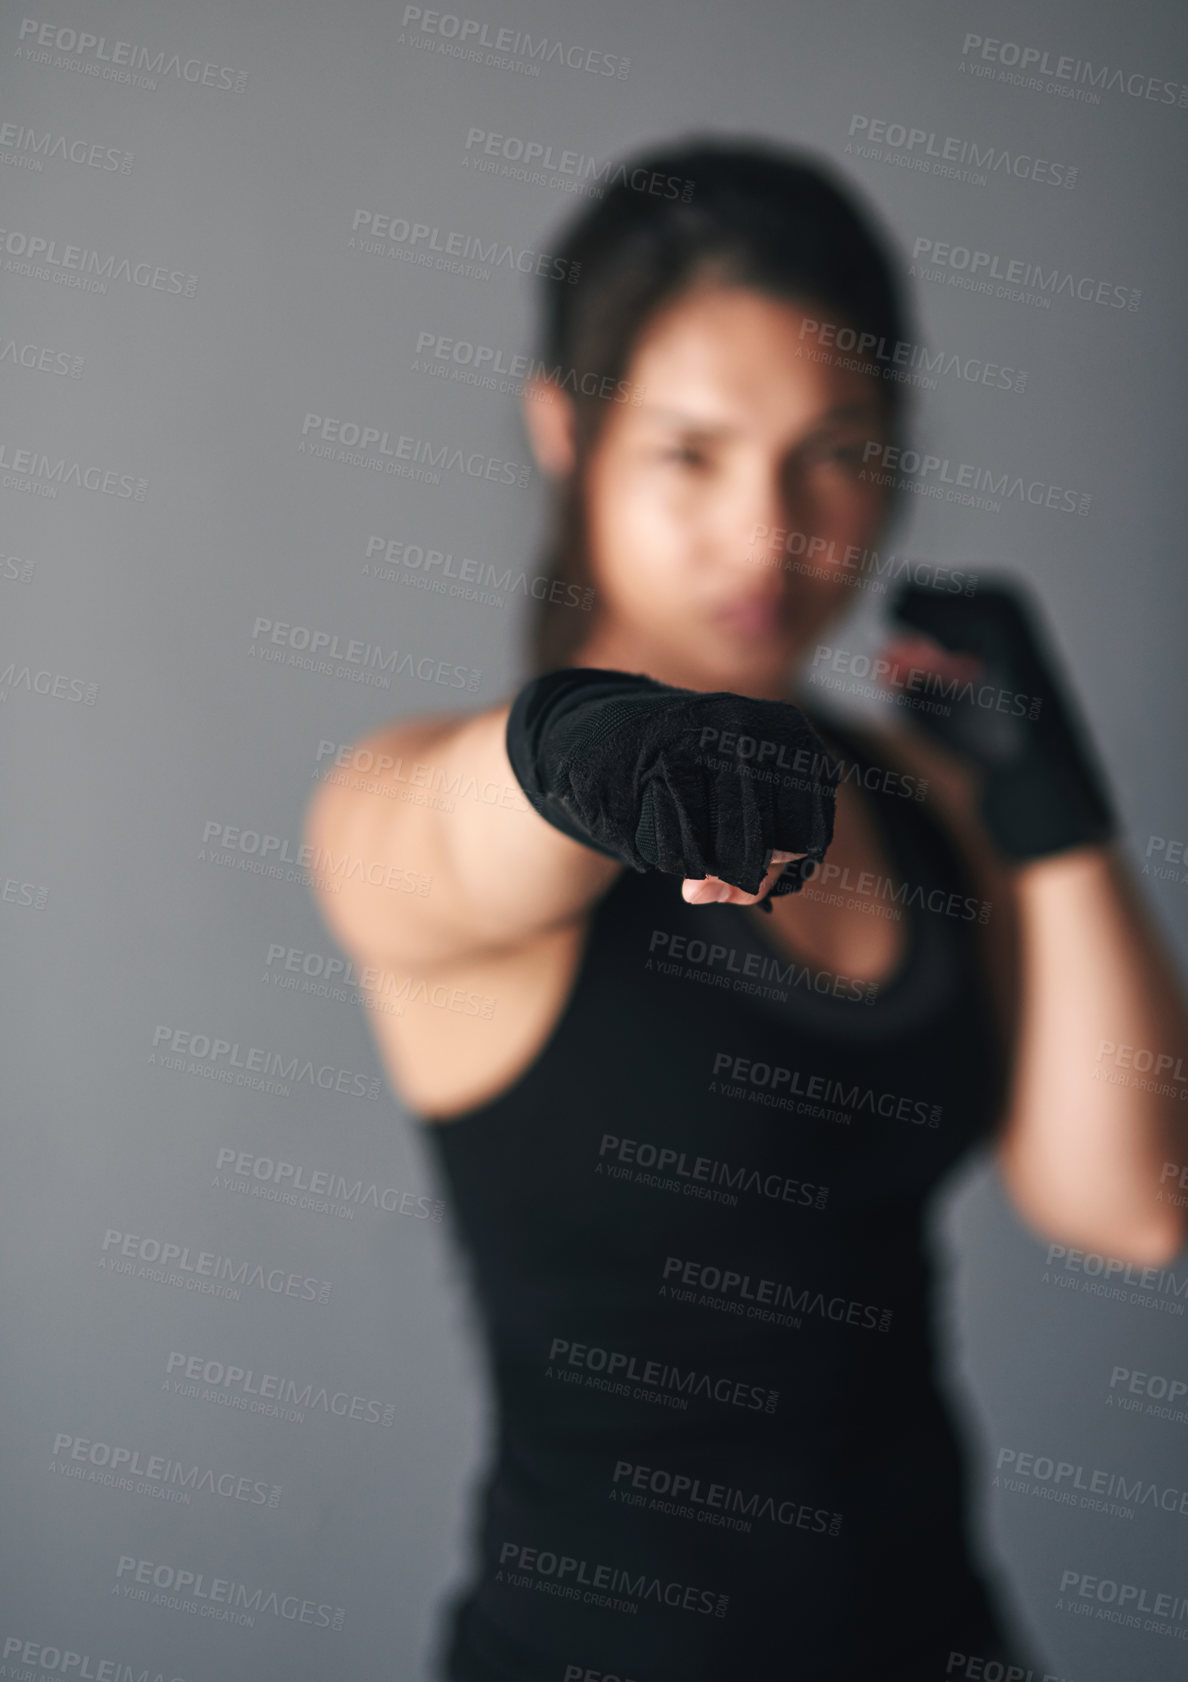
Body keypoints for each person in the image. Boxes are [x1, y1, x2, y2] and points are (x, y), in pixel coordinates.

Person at [305, 137, 1188, 1681]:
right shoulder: (417, 797)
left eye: (832, 448)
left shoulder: (927, 802)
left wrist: (1053, 809)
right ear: (565, 436)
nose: (770, 531)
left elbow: (1133, 1200)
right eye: (692, 454)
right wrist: (578, 752)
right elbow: (436, 843)